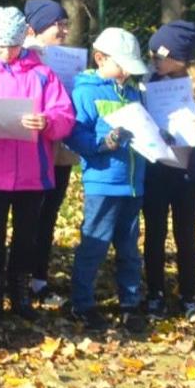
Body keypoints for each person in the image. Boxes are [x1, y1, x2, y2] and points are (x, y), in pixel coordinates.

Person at [0, 7, 75, 321]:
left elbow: (64, 115)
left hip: (32, 172)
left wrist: (46, 121)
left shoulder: (43, 74)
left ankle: (20, 293)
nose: (6, 53)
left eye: (11, 46)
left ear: (22, 41)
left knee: (27, 236)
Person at [141, 21, 195, 321]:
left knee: (186, 234)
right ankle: (155, 293)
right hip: (157, 168)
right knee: (154, 233)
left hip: (189, 173)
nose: (154, 60)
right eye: (152, 55)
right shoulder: (148, 81)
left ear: (180, 56)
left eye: (160, 56)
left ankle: (188, 295)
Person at [65, 28, 151, 330]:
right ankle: (82, 304)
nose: (127, 72)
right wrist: (102, 144)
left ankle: (130, 303)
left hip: (133, 183)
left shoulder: (134, 92)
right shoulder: (86, 92)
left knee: (129, 248)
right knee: (95, 244)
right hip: (103, 182)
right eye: (122, 65)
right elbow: (75, 134)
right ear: (100, 58)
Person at [23, 0, 76, 305]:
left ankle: (39, 279)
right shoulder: (19, 57)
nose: (64, 31)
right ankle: (18, 278)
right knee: (28, 216)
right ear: (35, 29)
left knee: (48, 214)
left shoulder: (69, 59)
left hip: (60, 148)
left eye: (66, 24)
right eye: (59, 25)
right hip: (28, 149)